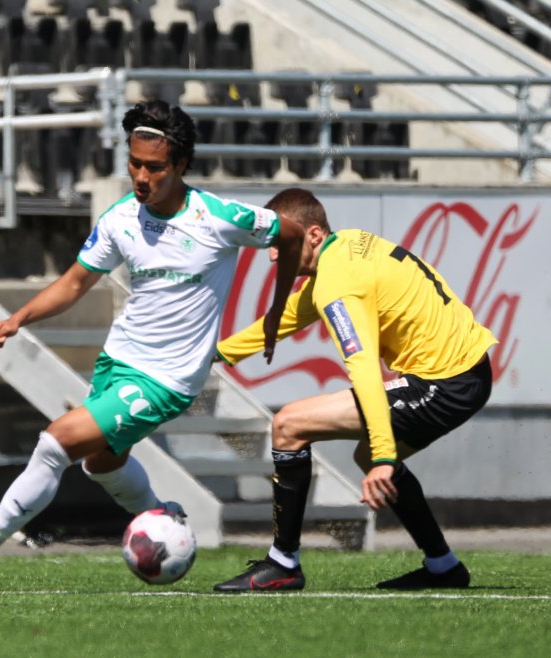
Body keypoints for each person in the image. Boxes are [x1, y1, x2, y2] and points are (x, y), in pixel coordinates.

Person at [0, 100, 305, 587]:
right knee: (101, 463)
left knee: (55, 443)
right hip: (118, 361)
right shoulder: (121, 218)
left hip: (167, 379)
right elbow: (74, 282)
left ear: (180, 166)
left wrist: (277, 309)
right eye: (134, 164)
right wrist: (18, 318)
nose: (141, 177)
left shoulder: (218, 217)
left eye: (155, 167)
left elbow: (290, 233)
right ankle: (161, 515)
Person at [211, 188, 497, 592]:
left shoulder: (338, 281)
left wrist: (385, 456)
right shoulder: (344, 247)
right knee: (363, 454)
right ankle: (443, 565)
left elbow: (362, 368)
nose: (272, 256)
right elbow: (292, 313)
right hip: (466, 372)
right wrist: (219, 354)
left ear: (312, 235)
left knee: (289, 426)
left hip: (446, 381)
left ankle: (283, 563)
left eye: (279, 243)